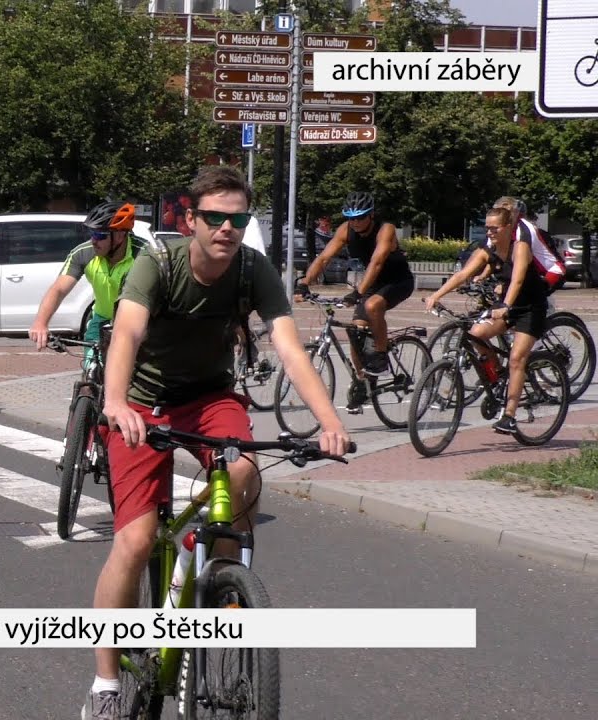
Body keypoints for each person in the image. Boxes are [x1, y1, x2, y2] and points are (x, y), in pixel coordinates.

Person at [83, 166, 351, 720]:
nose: (226, 228)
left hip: (209, 398)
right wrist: (113, 404)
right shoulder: (157, 265)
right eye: (214, 217)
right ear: (191, 219)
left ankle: (220, 587)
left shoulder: (253, 271)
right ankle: (105, 683)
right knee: (133, 542)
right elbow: (127, 332)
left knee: (246, 474)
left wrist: (330, 421)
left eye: (237, 218)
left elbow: (289, 347)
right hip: (142, 403)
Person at [425, 206, 549, 434]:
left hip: (529, 308)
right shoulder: (488, 249)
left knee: (516, 359)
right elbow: (463, 274)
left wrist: (505, 305)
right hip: (505, 307)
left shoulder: (519, 247)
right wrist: (436, 295)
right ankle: (499, 377)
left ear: (508, 227)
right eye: (487, 228)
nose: (489, 232)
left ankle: (510, 416)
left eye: (495, 228)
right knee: (476, 334)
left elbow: (518, 281)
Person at [296, 191, 415, 411]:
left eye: (360, 217)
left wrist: (358, 292)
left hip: (398, 281)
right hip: (371, 284)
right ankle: (362, 383)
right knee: (355, 331)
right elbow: (324, 258)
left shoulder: (385, 229)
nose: (355, 222)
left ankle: (380, 356)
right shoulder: (345, 230)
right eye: (351, 217)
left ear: (370, 215)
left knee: (372, 306)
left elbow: (377, 262)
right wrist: (305, 282)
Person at [29, 201, 139, 353]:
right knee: (92, 369)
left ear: (120, 235)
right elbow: (58, 289)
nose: (93, 240)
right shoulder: (84, 253)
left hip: (135, 322)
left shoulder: (144, 256)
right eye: (91, 233)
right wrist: (40, 323)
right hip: (101, 320)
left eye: (100, 235)